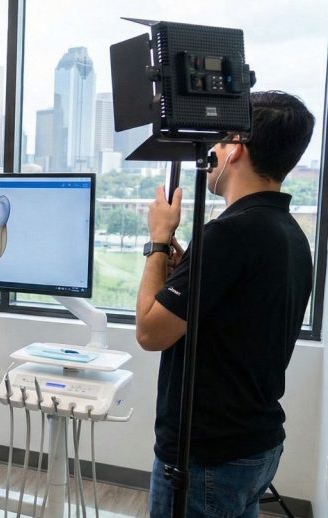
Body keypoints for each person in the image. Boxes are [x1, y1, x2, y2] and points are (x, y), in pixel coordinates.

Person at [135, 91, 315, 517]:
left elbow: (150, 332)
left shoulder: (228, 234)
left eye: (218, 139)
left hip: (207, 457)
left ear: (235, 148)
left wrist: (158, 242)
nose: (211, 150)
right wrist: (188, 271)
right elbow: (237, 316)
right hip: (256, 446)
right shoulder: (289, 233)